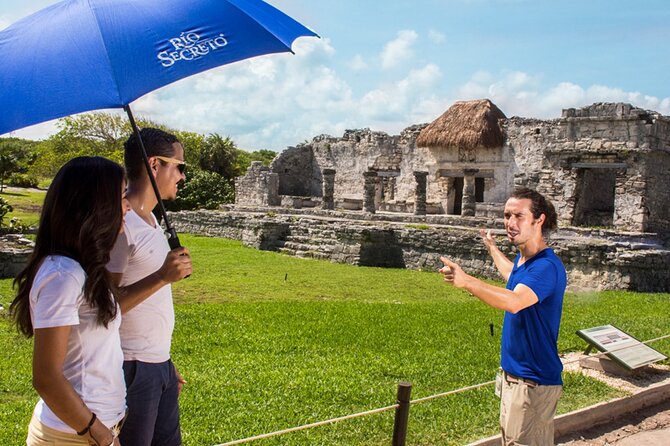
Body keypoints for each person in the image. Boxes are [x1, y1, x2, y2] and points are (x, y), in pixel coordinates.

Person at [10, 156, 130, 446]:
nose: (127, 207)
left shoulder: (82, 268)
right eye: (122, 198)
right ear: (97, 206)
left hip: (94, 429)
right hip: (72, 435)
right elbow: (46, 377)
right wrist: (99, 433)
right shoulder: (63, 275)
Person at [439, 187, 567, 446]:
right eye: (507, 216)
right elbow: (513, 277)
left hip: (533, 382)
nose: (510, 223)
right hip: (516, 379)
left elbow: (515, 301)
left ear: (539, 220)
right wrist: (492, 248)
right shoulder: (525, 262)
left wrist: (468, 282)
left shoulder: (545, 267)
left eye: (518, 216)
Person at [107, 128, 192, 446]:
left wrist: (164, 364)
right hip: (130, 368)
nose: (182, 177)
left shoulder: (153, 222)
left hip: (157, 365)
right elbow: (106, 306)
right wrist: (161, 277)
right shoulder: (121, 225)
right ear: (154, 164)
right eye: (179, 166)